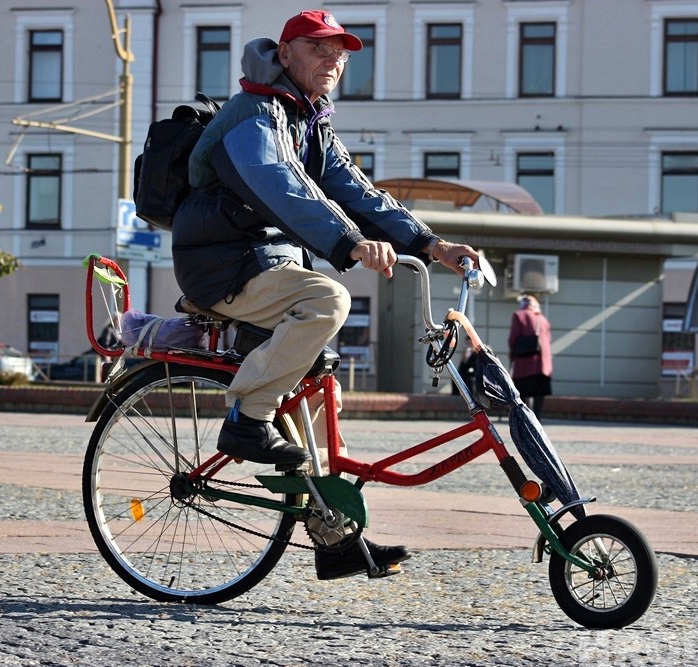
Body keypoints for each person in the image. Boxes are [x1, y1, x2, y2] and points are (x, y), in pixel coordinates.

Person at [172, 10, 480, 580]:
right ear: (285, 54)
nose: (333, 60)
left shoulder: (310, 121)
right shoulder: (254, 115)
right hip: (220, 266)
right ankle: (246, 416)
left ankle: (332, 536)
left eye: (340, 51)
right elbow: (280, 186)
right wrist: (351, 243)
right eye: (318, 48)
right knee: (328, 300)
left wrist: (431, 244)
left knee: (319, 399)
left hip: (265, 263)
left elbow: (357, 191)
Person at [507, 294, 553, 419]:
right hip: (543, 363)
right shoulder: (543, 319)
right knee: (539, 391)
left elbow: (513, 338)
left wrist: (512, 353)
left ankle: (526, 417)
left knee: (522, 390)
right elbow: (548, 339)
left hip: (524, 360)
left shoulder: (519, 315)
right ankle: (537, 416)